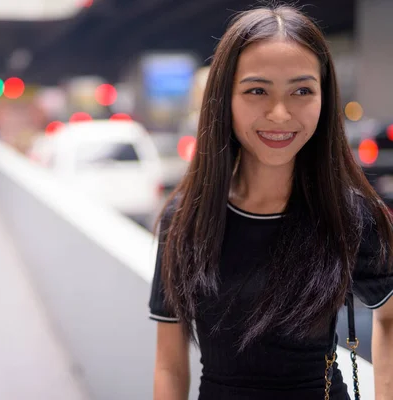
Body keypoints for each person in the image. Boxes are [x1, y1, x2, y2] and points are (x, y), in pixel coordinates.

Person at [149, 4, 393, 400]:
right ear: (224, 98)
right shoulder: (185, 220)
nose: (280, 114)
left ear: (324, 98)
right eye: (257, 90)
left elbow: (390, 317)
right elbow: (169, 364)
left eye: (301, 91)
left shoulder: (347, 213)